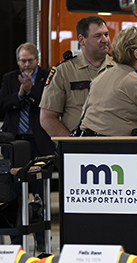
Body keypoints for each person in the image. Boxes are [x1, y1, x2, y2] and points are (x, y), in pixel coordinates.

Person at [0, 42, 54, 251]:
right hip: (15, 144)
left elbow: (49, 103)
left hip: (39, 143)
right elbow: (3, 105)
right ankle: (16, 245)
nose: (27, 64)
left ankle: (41, 242)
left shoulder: (48, 76)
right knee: (13, 195)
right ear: (17, 61)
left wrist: (31, 91)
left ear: (37, 59)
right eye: (23, 60)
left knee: (40, 194)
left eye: (30, 60)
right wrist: (20, 94)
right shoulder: (9, 78)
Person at [39, 15, 115, 137]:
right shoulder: (63, 71)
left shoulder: (120, 68)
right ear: (81, 40)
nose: (105, 39)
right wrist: (72, 145)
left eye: (106, 34)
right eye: (98, 36)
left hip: (117, 147)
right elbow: (47, 118)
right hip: (79, 150)